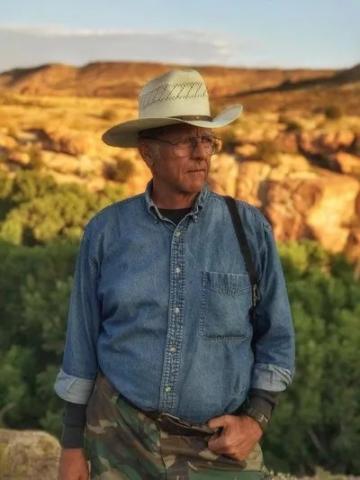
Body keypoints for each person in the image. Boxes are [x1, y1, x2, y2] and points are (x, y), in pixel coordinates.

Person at [54, 69, 295, 479]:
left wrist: (256, 420)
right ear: (148, 153)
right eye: (187, 141)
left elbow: (277, 338)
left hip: (218, 446)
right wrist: (72, 445)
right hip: (120, 438)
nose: (202, 153)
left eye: (207, 140)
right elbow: (82, 343)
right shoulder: (106, 232)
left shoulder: (248, 229)